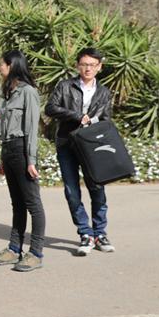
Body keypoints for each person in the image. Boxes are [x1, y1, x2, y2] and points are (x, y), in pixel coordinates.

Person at [45, 47, 114, 256]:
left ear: (99, 67)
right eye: (84, 64)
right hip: (67, 144)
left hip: (92, 146)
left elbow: (107, 119)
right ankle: (85, 233)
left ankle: (100, 233)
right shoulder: (65, 86)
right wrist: (77, 116)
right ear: (77, 65)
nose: (88, 68)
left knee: (97, 189)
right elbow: (50, 108)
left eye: (92, 65)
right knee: (72, 192)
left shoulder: (104, 92)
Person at [0, 50, 47, 272]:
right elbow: (5, 130)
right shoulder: (9, 93)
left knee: (33, 203)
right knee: (17, 204)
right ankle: (15, 248)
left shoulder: (28, 92)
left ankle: (36, 252)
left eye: (2, 64)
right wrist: (3, 157)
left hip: (23, 150)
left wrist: (31, 160)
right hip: (10, 150)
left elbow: (32, 128)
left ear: (12, 65)